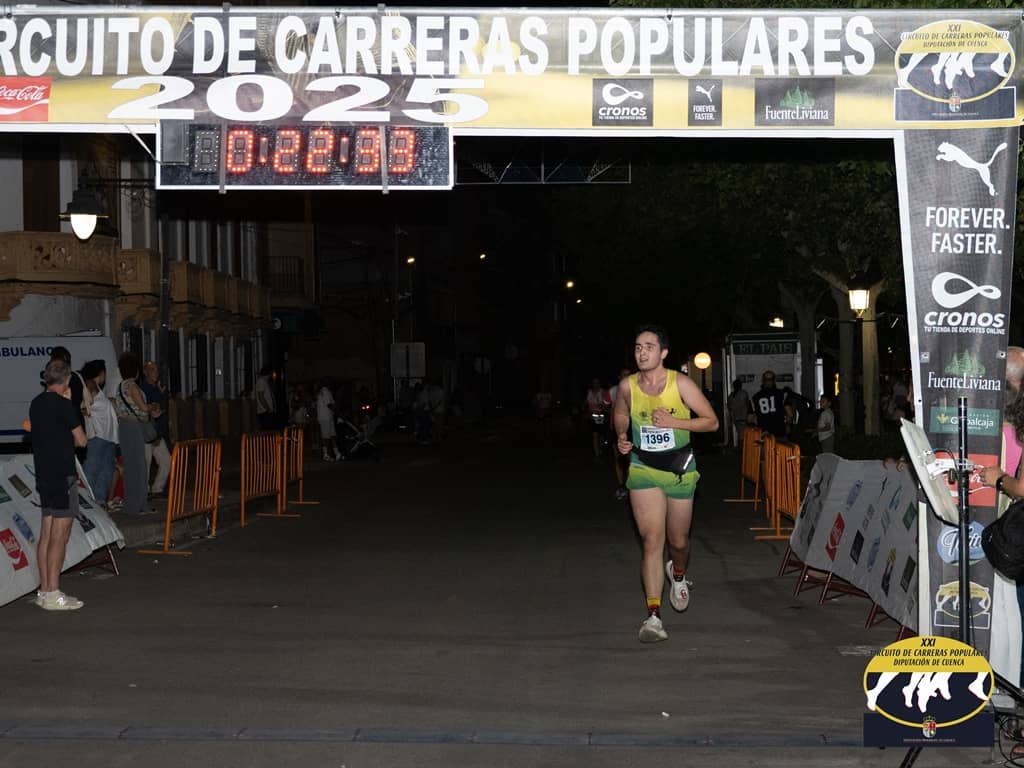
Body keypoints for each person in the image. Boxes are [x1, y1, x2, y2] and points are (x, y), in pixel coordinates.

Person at [614, 326, 719, 643]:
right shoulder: (627, 386)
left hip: (678, 469)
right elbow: (621, 413)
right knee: (651, 541)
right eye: (637, 347)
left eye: (649, 346)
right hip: (643, 467)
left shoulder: (681, 383)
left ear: (663, 353)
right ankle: (654, 617)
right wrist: (622, 435)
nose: (641, 352)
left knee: (679, 542)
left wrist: (675, 422)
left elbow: (712, 422)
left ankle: (679, 573)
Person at [978, 346, 1024, 687]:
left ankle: (1009, 688)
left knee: (1011, 611)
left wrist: (998, 479)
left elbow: (1021, 488)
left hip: (1012, 528)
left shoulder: (1006, 432)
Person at [30, 357, 87, 610]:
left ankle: (44, 591)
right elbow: (82, 441)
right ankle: (53, 593)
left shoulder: (36, 403)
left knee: (46, 534)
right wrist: (70, 403)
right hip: (63, 475)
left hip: (43, 475)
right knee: (59, 536)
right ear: (67, 379)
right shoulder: (64, 405)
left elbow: (49, 433)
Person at [111, 353, 156, 516]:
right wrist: (153, 407)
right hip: (134, 427)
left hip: (123, 427)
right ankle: (140, 504)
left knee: (129, 467)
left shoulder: (120, 387)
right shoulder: (132, 386)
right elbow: (143, 407)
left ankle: (130, 504)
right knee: (140, 466)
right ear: (135, 369)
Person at [80, 360, 118, 508]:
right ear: (100, 373)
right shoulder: (90, 385)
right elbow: (82, 404)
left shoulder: (96, 388)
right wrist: (85, 410)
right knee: (93, 469)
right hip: (98, 436)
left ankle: (99, 502)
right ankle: (87, 502)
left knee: (106, 470)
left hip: (107, 437)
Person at [138, 360, 171, 498]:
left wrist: (162, 394)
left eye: (157, 370)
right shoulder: (141, 389)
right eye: (152, 370)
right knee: (146, 463)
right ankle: (144, 491)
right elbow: (146, 411)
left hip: (158, 432)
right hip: (147, 432)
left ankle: (157, 489)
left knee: (166, 461)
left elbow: (161, 408)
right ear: (145, 372)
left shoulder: (157, 388)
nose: (156, 373)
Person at [609, 367, 632, 500]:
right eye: (624, 375)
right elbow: (607, 407)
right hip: (616, 429)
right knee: (618, 457)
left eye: (628, 374)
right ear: (619, 377)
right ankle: (621, 485)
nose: (626, 377)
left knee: (630, 458)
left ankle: (629, 485)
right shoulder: (613, 391)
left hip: (632, 428)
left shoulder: (636, 389)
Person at [750, 370, 787, 438]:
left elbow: (752, 418)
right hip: (779, 430)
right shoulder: (780, 393)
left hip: (764, 431)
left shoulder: (756, 396)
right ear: (774, 381)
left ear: (763, 381)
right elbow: (788, 412)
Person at [585, 377, 612, 460]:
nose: (595, 384)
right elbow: (587, 403)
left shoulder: (602, 392)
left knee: (601, 434)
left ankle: (601, 448)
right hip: (592, 416)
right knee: (595, 435)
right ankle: (597, 454)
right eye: (594, 382)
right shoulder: (589, 392)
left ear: (599, 384)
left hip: (600, 416)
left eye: (597, 383)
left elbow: (606, 404)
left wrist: (601, 407)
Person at [316, 382, 341, 461]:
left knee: (332, 435)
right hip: (325, 418)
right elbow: (329, 404)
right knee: (326, 437)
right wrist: (338, 413)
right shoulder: (325, 391)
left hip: (328, 417)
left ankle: (337, 453)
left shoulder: (326, 392)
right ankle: (326, 454)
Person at [727, 378, 751, 451]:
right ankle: (742, 450)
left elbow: (729, 408)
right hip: (743, 417)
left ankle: (741, 449)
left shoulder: (731, 396)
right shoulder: (743, 393)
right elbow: (748, 404)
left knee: (740, 434)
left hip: (736, 418)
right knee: (742, 436)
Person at [255, 365, 276, 431]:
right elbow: (261, 397)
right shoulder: (261, 381)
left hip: (267, 411)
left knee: (269, 430)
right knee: (266, 431)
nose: (273, 374)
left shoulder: (265, 381)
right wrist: (268, 409)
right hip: (264, 412)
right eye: (272, 372)